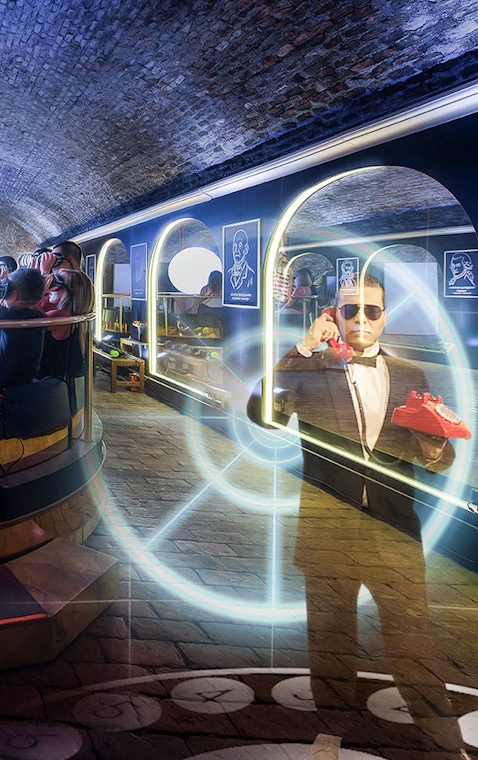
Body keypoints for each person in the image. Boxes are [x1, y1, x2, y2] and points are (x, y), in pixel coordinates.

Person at [251, 273, 465, 752]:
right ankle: (331, 736)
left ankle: (444, 742)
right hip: (327, 530)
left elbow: (438, 455)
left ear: (385, 314)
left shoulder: (411, 375)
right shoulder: (309, 367)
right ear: (333, 314)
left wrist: (433, 448)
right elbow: (259, 413)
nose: (362, 320)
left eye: (372, 310)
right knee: (330, 643)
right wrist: (303, 349)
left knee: (414, 646)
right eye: (351, 310)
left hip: (395, 534)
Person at [37, 251, 95, 409]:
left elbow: (29, 315)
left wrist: (42, 278)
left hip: (51, 388)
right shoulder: (71, 312)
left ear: (70, 293)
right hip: (60, 383)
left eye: (58, 282)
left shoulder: (61, 316)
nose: (53, 283)